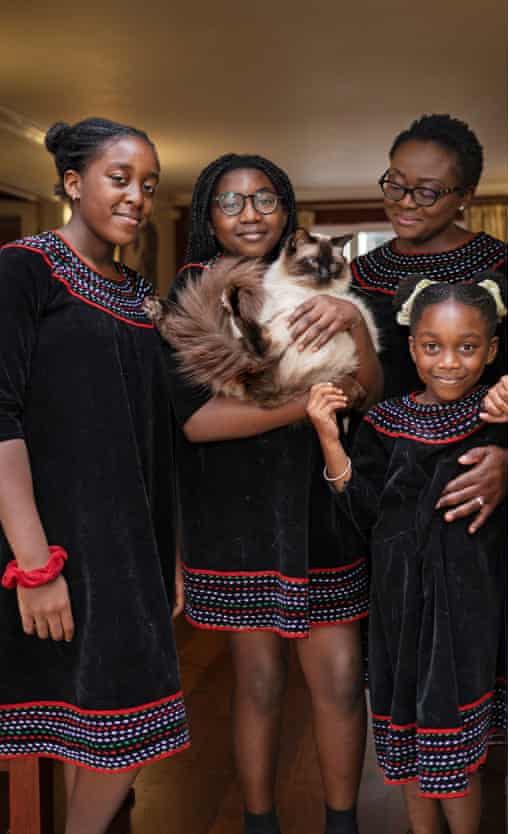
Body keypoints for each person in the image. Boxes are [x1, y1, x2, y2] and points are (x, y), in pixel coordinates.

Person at [166, 153, 383, 834]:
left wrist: (347, 324)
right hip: (237, 512)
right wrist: (308, 406)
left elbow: (370, 390)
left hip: (324, 504)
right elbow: (197, 421)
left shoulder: (329, 281)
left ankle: (342, 823)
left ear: (288, 210)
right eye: (230, 202)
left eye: (264, 198)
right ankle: (260, 823)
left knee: (342, 678)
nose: (250, 213)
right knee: (257, 683)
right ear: (208, 217)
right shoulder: (195, 292)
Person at [0, 118, 189, 834]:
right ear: (73, 185)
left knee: (118, 729)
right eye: (120, 179)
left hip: (127, 551)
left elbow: (154, 438)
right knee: (106, 727)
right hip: (53, 546)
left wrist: (164, 552)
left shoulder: (140, 293)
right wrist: (34, 564)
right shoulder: (25, 269)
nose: (138, 196)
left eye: (148, 184)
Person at [307, 277, 508, 834]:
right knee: (411, 754)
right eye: (432, 346)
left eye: (467, 347)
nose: (448, 362)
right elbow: (364, 514)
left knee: (454, 757)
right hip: (399, 614)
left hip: (466, 613)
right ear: (411, 348)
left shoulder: (501, 415)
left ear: (492, 350)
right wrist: (330, 439)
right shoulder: (386, 422)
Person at [351, 114, 508, 535]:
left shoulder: (506, 270)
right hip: (381, 479)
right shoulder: (357, 277)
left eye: (427, 192)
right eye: (396, 184)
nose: (404, 202)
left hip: (469, 478)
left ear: (466, 196)